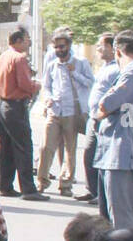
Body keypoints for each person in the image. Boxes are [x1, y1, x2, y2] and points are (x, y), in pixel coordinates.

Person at [92, 30, 133, 231]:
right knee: (108, 217)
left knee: (121, 218)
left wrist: (99, 112)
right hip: (111, 149)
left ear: (117, 51)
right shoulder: (129, 72)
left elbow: (105, 104)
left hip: (122, 151)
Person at [0, 27, 47, 200]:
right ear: (18, 41)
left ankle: (4, 184)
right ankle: (28, 189)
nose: (29, 42)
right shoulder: (19, 58)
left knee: (6, 147)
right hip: (14, 106)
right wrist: (36, 86)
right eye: (26, 39)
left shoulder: (2, 56)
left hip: (1, 104)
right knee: (23, 147)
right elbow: (24, 84)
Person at [37, 29, 94, 196]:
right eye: (56, 47)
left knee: (70, 149)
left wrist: (74, 72)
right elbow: (46, 86)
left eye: (62, 47)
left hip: (72, 112)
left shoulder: (81, 62)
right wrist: (48, 98)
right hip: (55, 111)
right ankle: (42, 181)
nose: (59, 50)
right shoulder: (52, 64)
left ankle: (66, 184)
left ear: (69, 46)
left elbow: (90, 83)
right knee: (46, 148)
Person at [76, 33, 117, 204]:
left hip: (103, 118)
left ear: (111, 47)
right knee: (90, 155)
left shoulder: (116, 69)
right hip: (93, 117)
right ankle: (93, 190)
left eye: (101, 45)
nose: (98, 48)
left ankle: (102, 194)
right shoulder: (105, 67)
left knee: (101, 157)